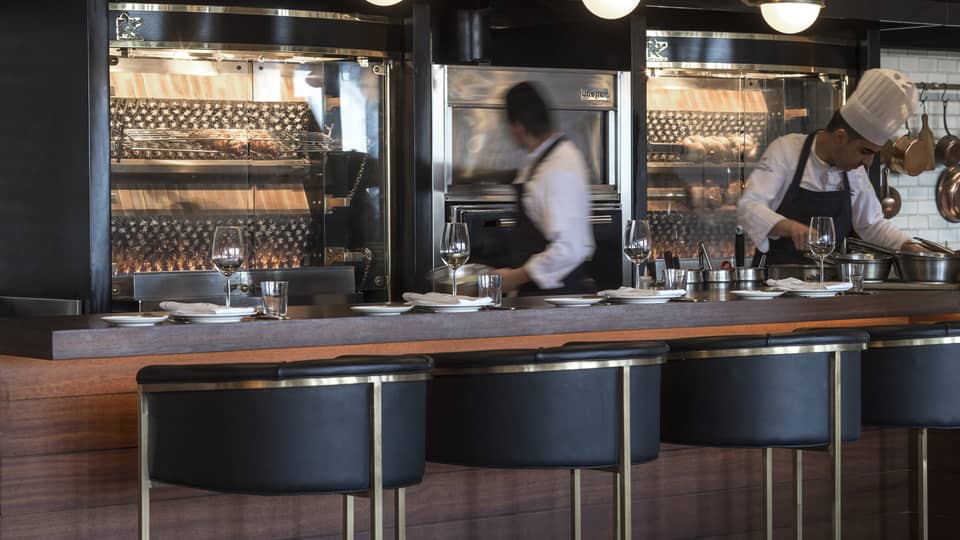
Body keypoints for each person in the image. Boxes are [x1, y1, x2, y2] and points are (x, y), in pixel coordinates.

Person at [737, 68, 926, 265]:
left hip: (828, 285)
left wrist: (908, 246)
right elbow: (748, 207)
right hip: (776, 284)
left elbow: (872, 225)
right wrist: (790, 227)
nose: (868, 163)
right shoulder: (786, 151)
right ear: (840, 137)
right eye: (865, 152)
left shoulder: (855, 173)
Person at [494, 82, 596, 295]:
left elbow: (569, 249)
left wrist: (514, 277)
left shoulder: (556, 168)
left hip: (554, 300)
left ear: (518, 128)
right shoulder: (546, 157)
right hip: (538, 297)